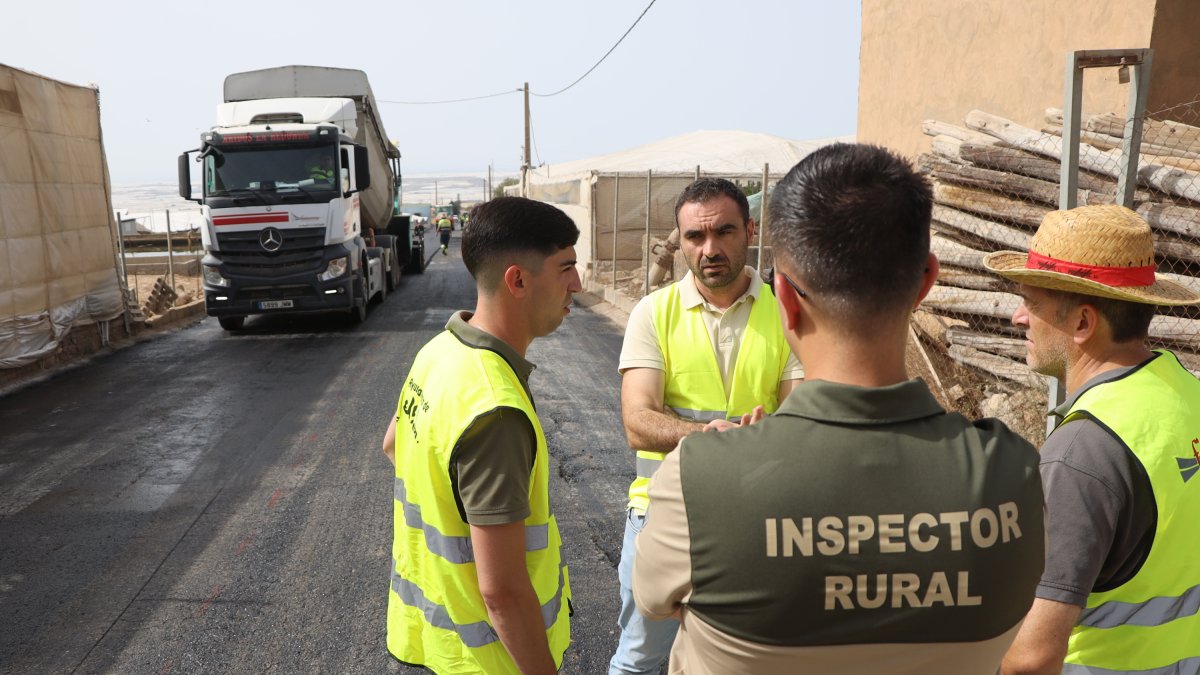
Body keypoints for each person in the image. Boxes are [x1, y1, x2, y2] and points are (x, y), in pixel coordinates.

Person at [633, 143, 1045, 674]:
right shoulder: (1015, 475)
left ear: (783, 295)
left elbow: (653, 603)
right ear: (926, 282)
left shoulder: (696, 478)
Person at [983, 205, 1200, 675]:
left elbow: (1032, 659)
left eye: (1032, 303)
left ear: (1083, 323)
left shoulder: (1083, 452)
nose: (1019, 317)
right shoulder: (1189, 394)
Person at [609, 177, 804, 675]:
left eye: (724, 232)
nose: (710, 249)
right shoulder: (654, 312)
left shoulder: (789, 312)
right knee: (640, 660)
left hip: (759, 521)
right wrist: (710, 437)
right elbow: (637, 422)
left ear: (751, 231)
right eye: (695, 237)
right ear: (681, 240)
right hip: (663, 514)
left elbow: (801, 420)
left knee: (745, 663)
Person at [380, 196, 582, 674]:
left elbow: (393, 445)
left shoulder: (441, 349)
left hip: (429, 642)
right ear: (517, 280)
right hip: (489, 662)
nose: (578, 284)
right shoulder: (494, 411)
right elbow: (503, 592)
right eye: (566, 267)